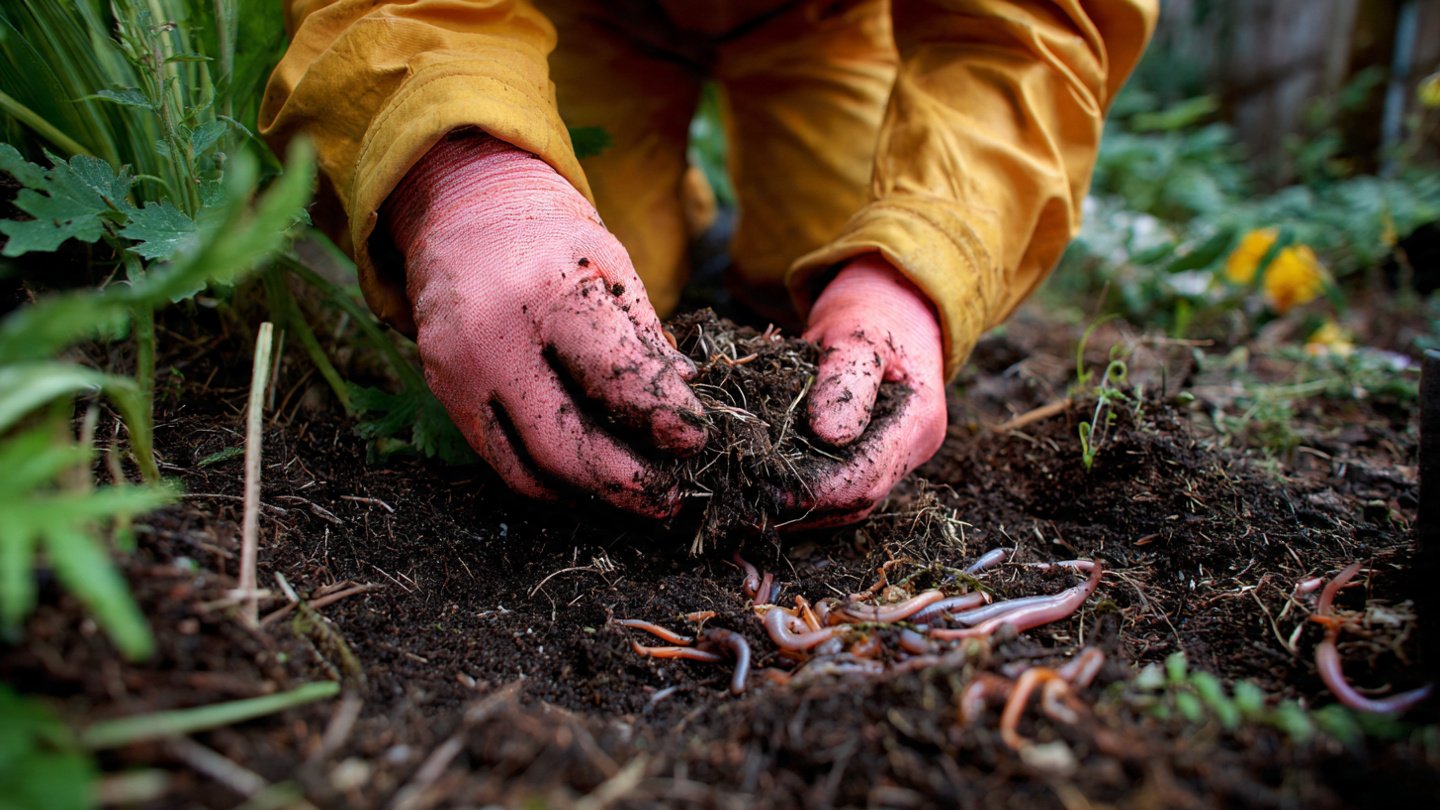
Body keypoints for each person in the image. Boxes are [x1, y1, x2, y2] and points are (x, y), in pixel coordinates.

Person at [260, 0, 1157, 525]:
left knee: (827, 263)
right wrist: (466, 176)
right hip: (565, 13)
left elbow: (1035, 26)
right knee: (552, 308)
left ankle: (729, 240)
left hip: (828, 17)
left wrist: (916, 269)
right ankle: (670, 215)